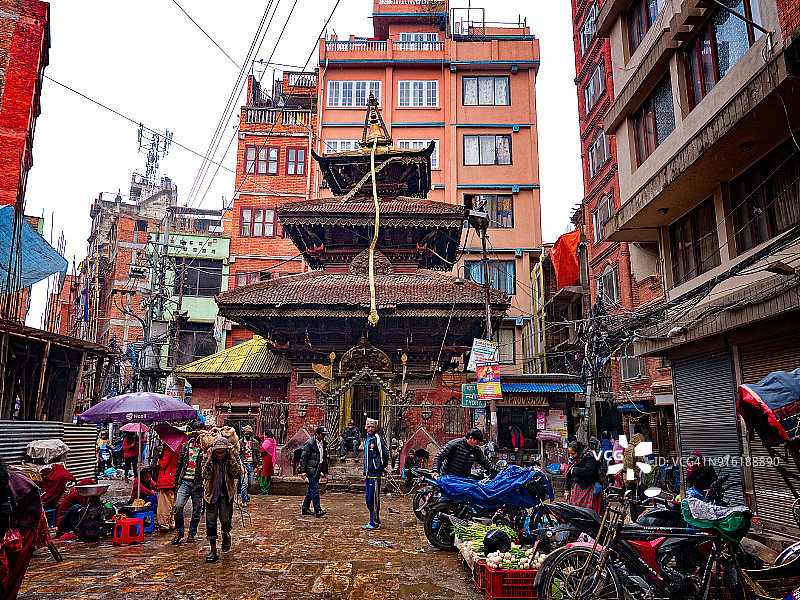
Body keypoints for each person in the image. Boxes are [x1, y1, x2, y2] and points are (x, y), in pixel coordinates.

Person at [1, 458, 45, 600]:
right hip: (12, 520)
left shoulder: (16, 482)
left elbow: (3, 509)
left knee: (11, 575)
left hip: (23, 523)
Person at [202, 437, 244, 563]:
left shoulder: (232, 456)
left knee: (226, 520)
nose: (220, 455)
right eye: (217, 452)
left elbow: (236, 473)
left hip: (226, 494)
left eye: (222, 452)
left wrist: (231, 458)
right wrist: (209, 459)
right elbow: (205, 474)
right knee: (211, 522)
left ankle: (226, 533)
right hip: (211, 494)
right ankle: (213, 550)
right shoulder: (207, 456)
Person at [171, 427, 204, 544]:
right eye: (196, 430)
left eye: (200, 430)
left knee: (197, 510)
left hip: (198, 484)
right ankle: (180, 531)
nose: (197, 432)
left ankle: (191, 533)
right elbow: (179, 465)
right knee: (178, 506)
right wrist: (176, 482)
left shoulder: (205, 448)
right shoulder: (185, 447)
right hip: (184, 481)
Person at [432, 428, 498, 479]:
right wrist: (435, 471)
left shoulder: (476, 450)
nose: (477, 444)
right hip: (448, 478)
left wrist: (499, 472)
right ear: (470, 438)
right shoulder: (454, 444)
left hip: (462, 480)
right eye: (476, 441)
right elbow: (439, 457)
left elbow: (486, 463)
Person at [362, 419, 389, 531]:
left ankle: (375, 522)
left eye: (373, 427)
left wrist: (381, 467)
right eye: (369, 426)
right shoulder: (368, 439)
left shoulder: (377, 438)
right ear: (365, 427)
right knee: (368, 499)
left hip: (375, 474)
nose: (370, 429)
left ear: (376, 428)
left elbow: (385, 454)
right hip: (368, 474)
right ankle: (372, 519)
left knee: (373, 499)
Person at [298, 426, 329, 518]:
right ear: (317, 434)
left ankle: (305, 508)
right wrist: (303, 471)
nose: (323, 437)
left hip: (318, 468)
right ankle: (318, 509)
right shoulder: (310, 443)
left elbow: (324, 458)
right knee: (315, 489)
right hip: (310, 469)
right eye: (322, 435)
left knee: (311, 489)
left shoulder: (323, 443)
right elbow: (304, 457)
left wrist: (325, 470)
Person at [564, 440, 602, 514]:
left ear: (580, 451)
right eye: (570, 454)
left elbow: (589, 472)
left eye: (573, 454)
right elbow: (568, 474)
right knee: (575, 511)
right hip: (575, 489)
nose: (571, 456)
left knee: (586, 512)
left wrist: (575, 470)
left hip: (587, 489)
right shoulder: (572, 460)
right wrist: (567, 490)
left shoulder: (589, 457)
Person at [156, 442, 179, 531]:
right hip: (174, 479)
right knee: (172, 504)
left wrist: (159, 459)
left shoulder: (168, 449)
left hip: (166, 480)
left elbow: (164, 464)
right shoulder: (178, 449)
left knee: (164, 505)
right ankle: (171, 523)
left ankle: (164, 525)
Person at [239, 425, 259, 507]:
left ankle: (246, 495)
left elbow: (258, 454)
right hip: (243, 465)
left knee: (251, 483)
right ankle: (244, 501)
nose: (247, 435)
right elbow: (238, 454)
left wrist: (260, 464)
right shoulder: (240, 442)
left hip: (251, 465)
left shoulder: (255, 442)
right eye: (246, 434)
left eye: (249, 434)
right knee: (244, 484)